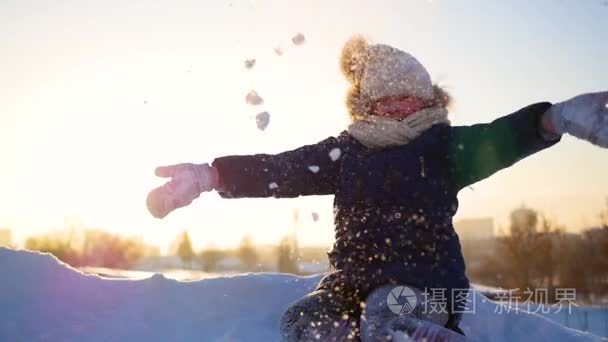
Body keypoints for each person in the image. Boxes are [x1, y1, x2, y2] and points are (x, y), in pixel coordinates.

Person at [146, 36, 608, 341]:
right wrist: (211, 175)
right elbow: (281, 169)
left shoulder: (444, 147)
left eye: (410, 98)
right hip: (349, 284)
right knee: (302, 322)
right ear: (366, 106)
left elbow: (500, 138)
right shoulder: (345, 152)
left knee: (388, 313)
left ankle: (429, 335)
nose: (399, 108)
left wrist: (554, 119)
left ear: (428, 100)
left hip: (425, 287)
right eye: (386, 100)